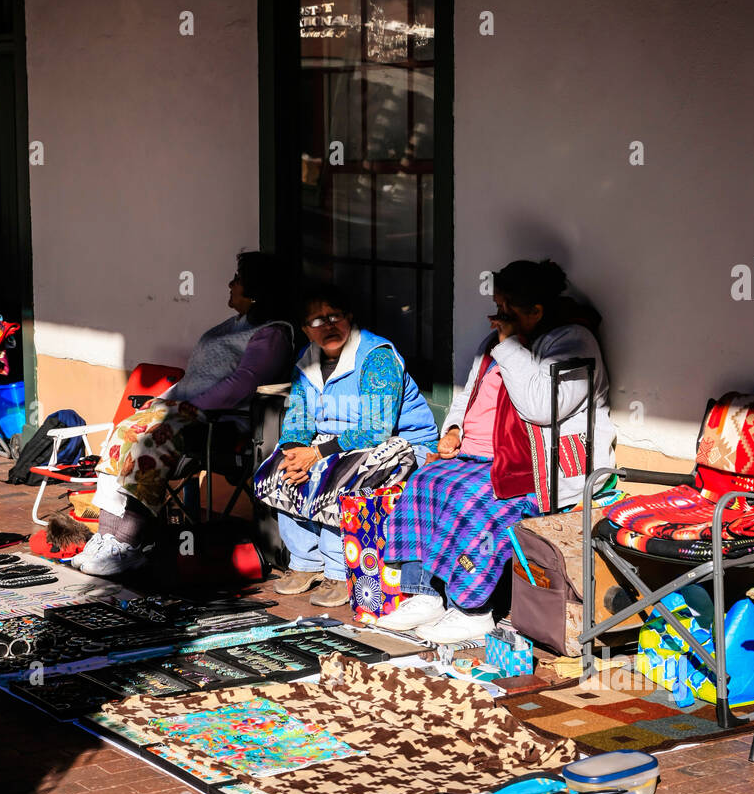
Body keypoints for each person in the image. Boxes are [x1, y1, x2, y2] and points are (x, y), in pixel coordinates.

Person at [377, 258, 615, 642]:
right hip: (479, 456)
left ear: (536, 310)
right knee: (426, 482)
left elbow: (543, 407)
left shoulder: (572, 341)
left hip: (540, 469)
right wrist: (454, 429)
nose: (497, 316)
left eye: (505, 308)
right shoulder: (498, 342)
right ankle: (424, 593)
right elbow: (469, 395)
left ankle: (471, 609)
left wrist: (508, 347)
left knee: (475, 500)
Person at [73, 251, 295, 576]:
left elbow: (243, 383)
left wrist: (196, 406)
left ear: (255, 289)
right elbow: (193, 378)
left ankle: (129, 542)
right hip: (184, 411)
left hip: (221, 422)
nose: (230, 284)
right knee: (122, 434)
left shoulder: (273, 333)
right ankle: (107, 537)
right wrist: (161, 400)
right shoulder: (231, 325)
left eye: (237, 279)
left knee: (147, 444)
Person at [254, 282, 438, 607]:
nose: (328, 326)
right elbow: (298, 415)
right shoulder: (306, 360)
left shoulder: (377, 357)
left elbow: (376, 431)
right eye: (316, 321)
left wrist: (317, 454)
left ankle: (340, 570)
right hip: (334, 445)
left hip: (399, 447)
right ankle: (305, 562)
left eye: (334, 316)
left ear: (349, 318)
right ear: (305, 330)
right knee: (281, 466)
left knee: (334, 475)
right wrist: (295, 449)